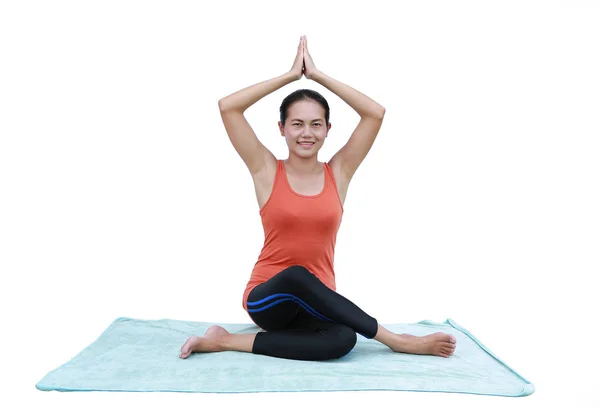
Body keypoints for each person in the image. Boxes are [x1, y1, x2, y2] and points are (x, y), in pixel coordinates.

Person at [180, 35, 456, 361]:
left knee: (343, 340)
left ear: (328, 129)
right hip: (268, 298)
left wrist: (318, 75)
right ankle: (397, 340)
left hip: (316, 302)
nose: (306, 133)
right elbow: (228, 107)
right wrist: (288, 76)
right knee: (297, 274)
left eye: (316, 124)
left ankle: (223, 341)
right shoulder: (266, 170)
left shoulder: (338, 173)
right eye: (296, 124)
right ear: (281, 128)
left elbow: (375, 114)